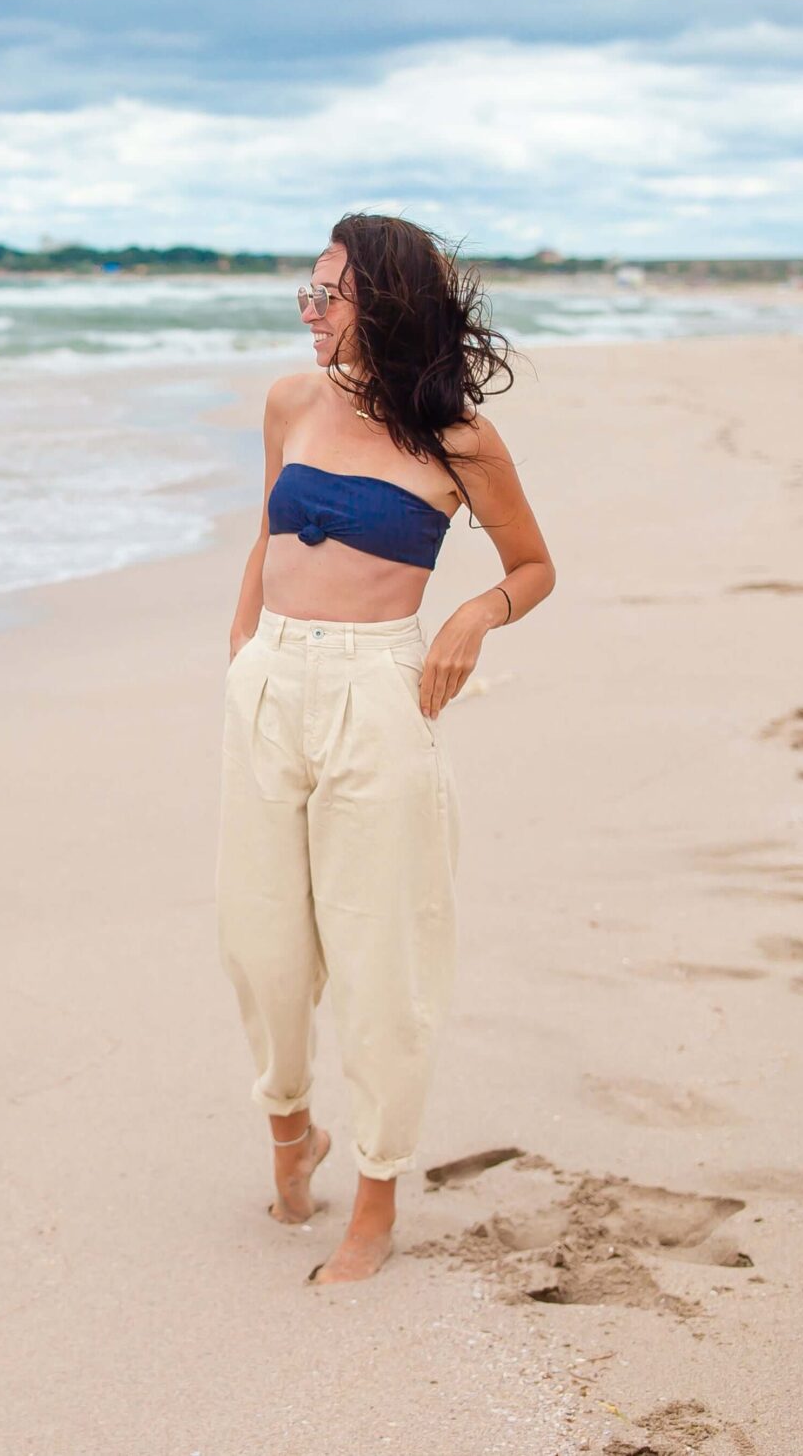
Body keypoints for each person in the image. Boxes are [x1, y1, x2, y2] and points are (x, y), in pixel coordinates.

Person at [215, 212, 555, 1285]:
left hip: (378, 692)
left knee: (379, 961)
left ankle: (374, 1199)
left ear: (387, 307)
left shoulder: (455, 438)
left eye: (329, 296)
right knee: (261, 946)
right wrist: (242, 654)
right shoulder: (288, 402)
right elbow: (265, 535)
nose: (309, 313)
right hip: (271, 686)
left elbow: (535, 564)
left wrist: (474, 614)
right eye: (305, 295)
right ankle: (289, 1135)